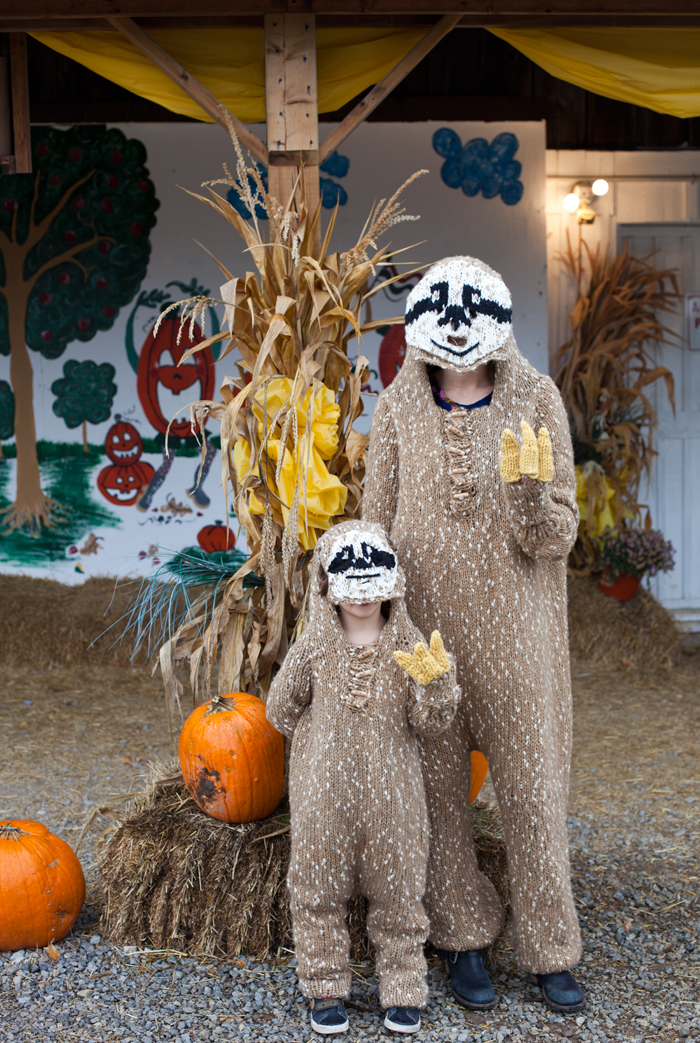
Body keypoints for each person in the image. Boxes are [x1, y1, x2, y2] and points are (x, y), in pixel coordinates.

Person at [362, 256, 585, 1015]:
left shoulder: (536, 397)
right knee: (438, 798)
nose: (457, 327)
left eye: (471, 310)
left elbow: (560, 534)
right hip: (426, 638)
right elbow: (375, 529)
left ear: (497, 317)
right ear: (420, 324)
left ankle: (552, 949)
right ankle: (462, 938)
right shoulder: (395, 411)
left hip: (518, 639)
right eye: (443, 312)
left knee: (531, 793)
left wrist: (528, 498)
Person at [266, 520, 461, 1036]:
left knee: (399, 894)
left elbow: (430, 725)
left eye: (374, 590)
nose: (363, 601)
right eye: (352, 590)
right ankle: (326, 987)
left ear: (392, 585)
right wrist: (317, 740)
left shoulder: (409, 643)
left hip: (395, 799)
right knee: (316, 890)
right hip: (323, 798)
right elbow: (279, 709)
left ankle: (402, 989)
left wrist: (436, 688)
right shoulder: (314, 647)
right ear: (327, 588)